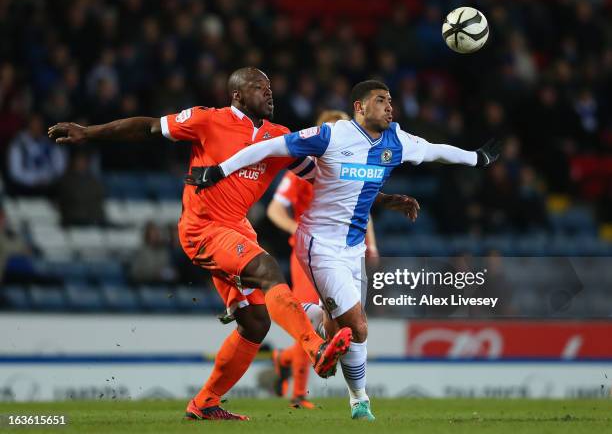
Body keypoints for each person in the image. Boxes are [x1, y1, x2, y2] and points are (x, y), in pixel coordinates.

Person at [47, 67, 354, 421]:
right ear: (237, 95)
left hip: (237, 230)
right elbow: (148, 126)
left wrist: (382, 196)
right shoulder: (208, 120)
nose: (269, 94)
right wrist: (89, 132)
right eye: (259, 87)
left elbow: (323, 177)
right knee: (268, 269)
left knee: (255, 323)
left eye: (270, 88)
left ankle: (205, 403)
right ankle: (316, 350)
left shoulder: (277, 136)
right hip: (202, 228)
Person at [189, 80, 502, 420]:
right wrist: (220, 170)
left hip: (353, 248)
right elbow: (269, 147)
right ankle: (360, 402)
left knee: (343, 328)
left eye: (390, 100)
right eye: (381, 100)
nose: (389, 106)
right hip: (319, 243)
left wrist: (477, 158)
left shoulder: (397, 140)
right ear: (360, 107)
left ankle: (315, 333)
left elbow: (435, 150)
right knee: (359, 326)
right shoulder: (331, 135)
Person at [267, 109, 414, 409]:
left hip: (347, 251)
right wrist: (297, 228)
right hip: (311, 251)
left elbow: (361, 210)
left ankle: (283, 359)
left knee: (336, 321)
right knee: (319, 322)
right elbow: (274, 211)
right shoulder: (301, 171)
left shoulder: (351, 166)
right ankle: (299, 394)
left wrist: (371, 244)